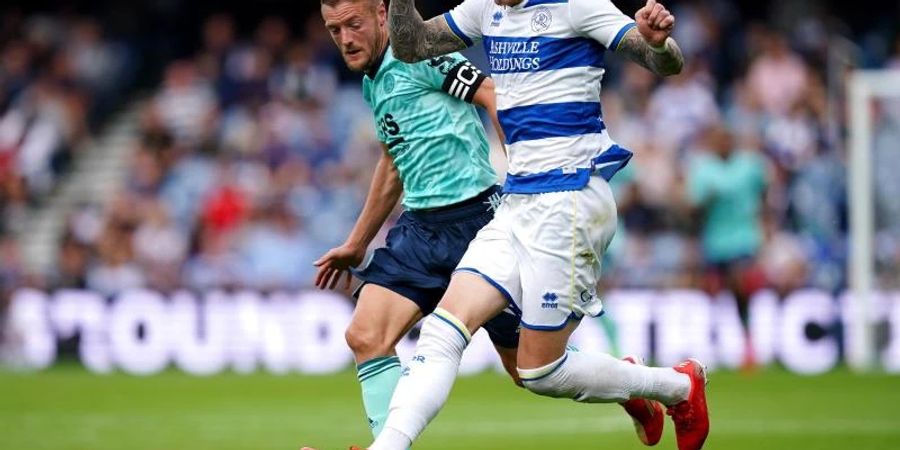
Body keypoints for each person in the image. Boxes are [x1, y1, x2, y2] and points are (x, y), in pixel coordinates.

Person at [357, 1, 710, 450]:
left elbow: (665, 62)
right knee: (444, 328)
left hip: (570, 201)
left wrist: (658, 45)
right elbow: (411, 46)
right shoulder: (485, 8)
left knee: (538, 372)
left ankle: (677, 388)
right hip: (517, 200)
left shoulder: (579, 6)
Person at [311, 0, 521, 443]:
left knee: (529, 369)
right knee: (366, 335)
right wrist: (356, 243)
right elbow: (392, 162)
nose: (346, 39)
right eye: (335, 30)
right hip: (421, 230)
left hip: (477, 224)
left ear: (382, 15)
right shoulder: (375, 79)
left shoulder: (418, 51)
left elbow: (491, 93)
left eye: (354, 24)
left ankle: (639, 388)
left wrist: (522, 175)